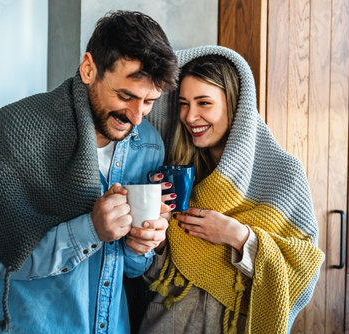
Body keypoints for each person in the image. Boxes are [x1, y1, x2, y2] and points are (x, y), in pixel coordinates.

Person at [0, 10, 178, 333]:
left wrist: (142, 247)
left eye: (149, 102)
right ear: (88, 69)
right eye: (125, 96)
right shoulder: (13, 132)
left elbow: (132, 269)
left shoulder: (148, 145)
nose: (137, 116)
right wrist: (89, 230)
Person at [139, 46, 325, 334]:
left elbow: (303, 271)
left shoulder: (284, 174)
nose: (190, 117)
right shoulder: (175, 171)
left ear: (234, 105)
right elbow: (154, 276)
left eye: (204, 103)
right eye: (185, 104)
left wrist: (239, 236)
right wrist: (159, 237)